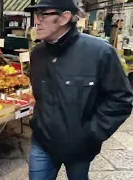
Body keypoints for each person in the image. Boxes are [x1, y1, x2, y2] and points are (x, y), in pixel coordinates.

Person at [24, 0, 133, 179]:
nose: (37, 21)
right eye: (37, 15)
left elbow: (121, 99)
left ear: (65, 17)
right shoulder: (38, 53)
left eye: (44, 14)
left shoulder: (100, 52)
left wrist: (90, 134)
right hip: (42, 142)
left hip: (79, 147)